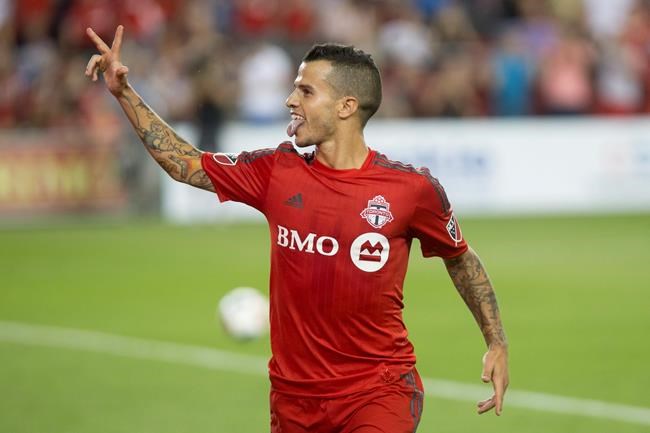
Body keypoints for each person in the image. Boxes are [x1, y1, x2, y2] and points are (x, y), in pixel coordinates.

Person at [85, 25, 509, 433]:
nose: (290, 100)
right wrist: (124, 93)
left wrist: (496, 341)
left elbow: (460, 258)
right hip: (294, 401)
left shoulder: (410, 190)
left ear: (345, 106)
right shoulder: (276, 171)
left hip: (379, 393)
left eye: (306, 91)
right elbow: (186, 163)